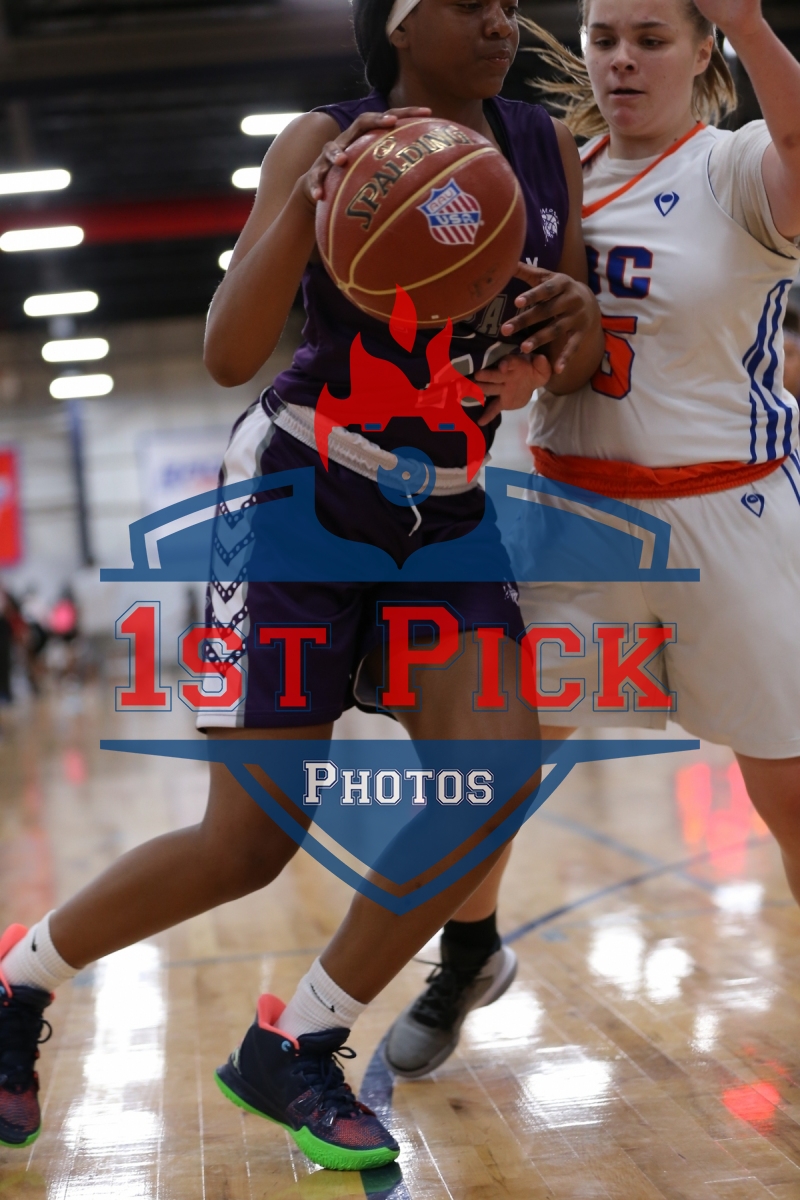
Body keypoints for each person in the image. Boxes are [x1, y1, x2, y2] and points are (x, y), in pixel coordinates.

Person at [0, 0, 604, 1173]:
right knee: (249, 844)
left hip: (446, 506)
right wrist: (301, 206)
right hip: (299, 493)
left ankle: (300, 1040)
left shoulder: (540, 147)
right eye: (470, 3)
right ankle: (18, 983)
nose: (501, 20)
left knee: (493, 777)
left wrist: (563, 332)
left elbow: (558, 361)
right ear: (398, 23)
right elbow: (229, 352)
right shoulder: (324, 138)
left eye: (506, 2)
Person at [385, 0, 800, 1079]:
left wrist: (754, 25)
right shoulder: (541, 181)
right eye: (603, 38)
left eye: (650, 39)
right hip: (571, 517)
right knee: (485, 772)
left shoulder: (734, 166)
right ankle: (467, 957)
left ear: (700, 51)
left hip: (731, 511)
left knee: (789, 790)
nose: (621, 60)